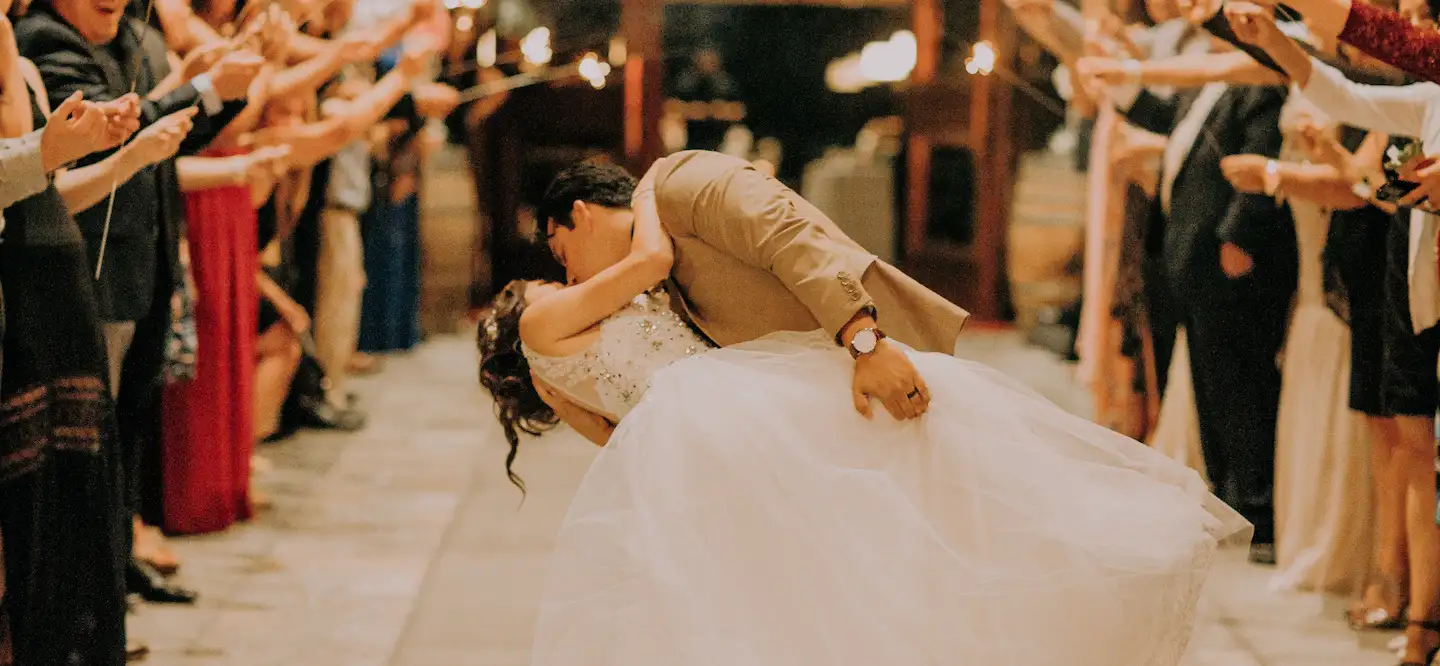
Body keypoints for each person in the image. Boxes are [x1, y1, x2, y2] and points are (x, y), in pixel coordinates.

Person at [476, 157, 1251, 665]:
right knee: (835, 569)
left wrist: (863, 340)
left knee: (944, 519)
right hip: (744, 421)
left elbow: (795, 240)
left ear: (574, 215)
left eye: (557, 251)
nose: (563, 270)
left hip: (813, 381)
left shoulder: (680, 185)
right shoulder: (633, 280)